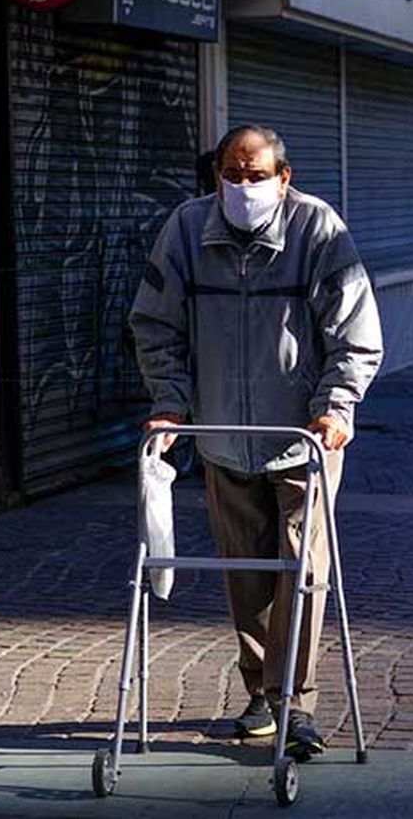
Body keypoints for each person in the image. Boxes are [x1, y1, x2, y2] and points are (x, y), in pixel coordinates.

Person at [129, 124, 384, 760]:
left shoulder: (319, 230)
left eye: (256, 175)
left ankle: (292, 699)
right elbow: (154, 323)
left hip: (303, 439)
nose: (244, 187)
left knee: (303, 567)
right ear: (215, 176)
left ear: (283, 176)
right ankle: (261, 692)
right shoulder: (186, 230)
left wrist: (336, 407)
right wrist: (168, 403)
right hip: (222, 435)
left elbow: (355, 331)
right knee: (245, 568)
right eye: (232, 175)